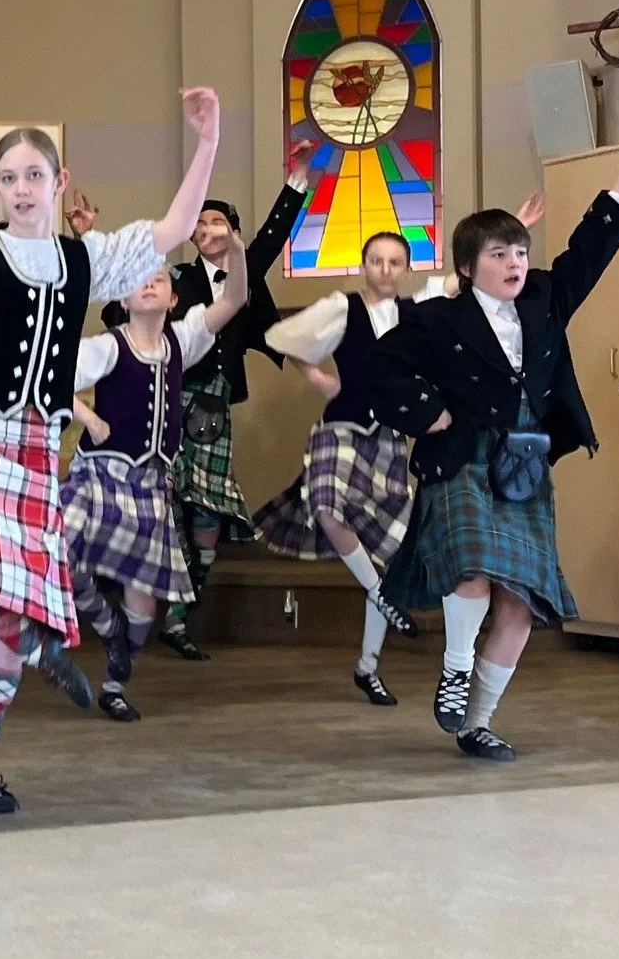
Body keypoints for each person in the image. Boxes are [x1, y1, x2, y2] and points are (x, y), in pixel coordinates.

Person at [0, 87, 224, 814]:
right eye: (9, 178)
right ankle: (32, 640)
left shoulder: (86, 259)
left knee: (15, 608)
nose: (22, 189)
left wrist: (208, 141)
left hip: (32, 445)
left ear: (59, 183)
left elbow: (179, 225)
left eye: (35, 175)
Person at [371, 128, 619, 761]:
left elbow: (593, 247)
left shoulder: (545, 298)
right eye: (500, 254)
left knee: (522, 607)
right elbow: (378, 371)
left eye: (520, 252)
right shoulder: (435, 318)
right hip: (462, 463)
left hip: (523, 468)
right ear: (470, 265)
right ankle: (453, 671)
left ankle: (477, 722)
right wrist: (430, 413)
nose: (515, 263)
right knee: (472, 569)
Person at [66, 234, 248, 722]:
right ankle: (104, 629)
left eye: (160, 278)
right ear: (122, 298)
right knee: (64, 560)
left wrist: (237, 253)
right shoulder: (107, 347)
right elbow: (48, 375)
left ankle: (115, 682)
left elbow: (234, 299)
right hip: (100, 477)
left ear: (174, 298)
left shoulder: (182, 342)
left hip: (150, 488)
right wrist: (90, 418)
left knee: (143, 601)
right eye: (137, 279)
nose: (149, 283)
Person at [155, 140, 317, 660]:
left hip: (215, 410)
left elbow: (272, 236)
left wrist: (296, 177)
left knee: (208, 518)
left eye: (217, 224)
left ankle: (181, 611)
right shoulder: (177, 278)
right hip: (173, 403)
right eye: (199, 227)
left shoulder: (246, 275)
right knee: (175, 510)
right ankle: (168, 619)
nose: (206, 233)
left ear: (234, 232)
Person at [253, 230, 426, 706]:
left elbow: (466, 284)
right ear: (362, 265)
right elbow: (283, 336)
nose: (386, 269)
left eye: (395, 262)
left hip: (388, 439)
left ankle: (368, 667)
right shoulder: (341, 307)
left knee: (382, 555)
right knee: (325, 505)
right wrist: (317, 376)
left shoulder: (418, 312)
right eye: (377, 260)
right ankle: (383, 598)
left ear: (406, 268)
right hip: (340, 427)